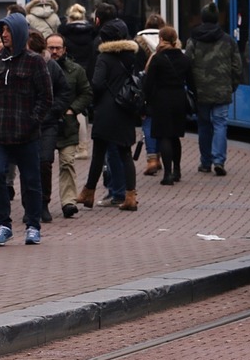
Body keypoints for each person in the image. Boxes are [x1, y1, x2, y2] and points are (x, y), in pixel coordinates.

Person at [0, 13, 52, 246]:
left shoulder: (35, 61)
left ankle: (33, 225)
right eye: (2, 31)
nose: (3, 35)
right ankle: (4, 224)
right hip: (0, 133)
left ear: (20, 33)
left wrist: (33, 120)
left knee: (31, 181)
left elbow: (45, 97)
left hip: (27, 134)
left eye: (8, 31)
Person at [86, 20, 141, 210]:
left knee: (99, 153)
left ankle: (88, 193)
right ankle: (130, 197)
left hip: (107, 110)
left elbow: (98, 84)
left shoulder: (104, 58)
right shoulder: (131, 56)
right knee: (125, 153)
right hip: (126, 108)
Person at [188, 2, 241, 176]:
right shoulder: (228, 40)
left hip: (200, 90)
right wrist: (231, 86)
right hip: (222, 90)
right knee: (220, 124)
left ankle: (205, 162)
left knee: (204, 125)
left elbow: (187, 63)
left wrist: (191, 86)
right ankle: (219, 160)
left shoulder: (193, 39)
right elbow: (237, 66)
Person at [47, 33, 92, 218]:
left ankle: (68, 202)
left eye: (58, 48)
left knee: (67, 162)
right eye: (51, 48)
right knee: (43, 164)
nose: (55, 51)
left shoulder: (76, 70)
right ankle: (42, 201)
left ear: (64, 49)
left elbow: (86, 93)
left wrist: (73, 109)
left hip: (68, 126)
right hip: (45, 125)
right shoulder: (39, 67)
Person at [28, 30, 70, 223]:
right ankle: (30, 206)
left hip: (47, 123)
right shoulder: (19, 64)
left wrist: (54, 110)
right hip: (25, 123)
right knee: (27, 164)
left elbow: (64, 92)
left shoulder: (51, 66)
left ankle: (43, 203)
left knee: (45, 162)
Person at [144, 26, 195, 185]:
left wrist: (146, 101)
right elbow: (192, 83)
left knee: (164, 136)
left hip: (161, 99)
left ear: (161, 39)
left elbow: (148, 83)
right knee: (175, 136)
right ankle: (177, 171)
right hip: (179, 98)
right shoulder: (184, 58)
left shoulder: (158, 58)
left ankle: (167, 174)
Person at [135, 14, 165, 176]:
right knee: (165, 125)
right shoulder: (169, 41)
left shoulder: (138, 43)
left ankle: (152, 158)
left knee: (148, 122)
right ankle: (163, 157)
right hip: (166, 89)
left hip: (147, 89)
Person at [60, 3, 97, 71]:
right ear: (83, 17)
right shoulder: (91, 32)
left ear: (69, 18)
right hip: (88, 68)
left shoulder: (63, 32)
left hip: (69, 69)